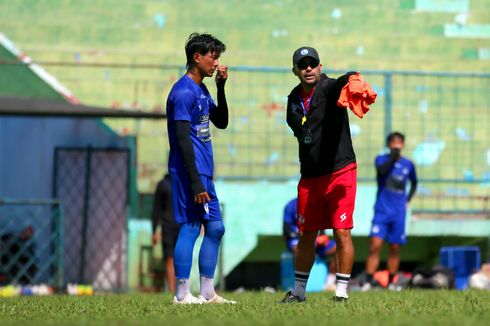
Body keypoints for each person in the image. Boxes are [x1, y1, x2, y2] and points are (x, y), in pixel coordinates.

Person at [282, 46, 373, 303]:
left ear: (320, 67)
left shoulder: (330, 87)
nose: (308, 68)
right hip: (311, 176)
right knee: (306, 234)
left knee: (341, 231)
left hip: (339, 170)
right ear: (295, 71)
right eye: (303, 65)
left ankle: (341, 293)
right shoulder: (292, 100)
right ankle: (298, 292)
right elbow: (301, 130)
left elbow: (341, 82)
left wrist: (352, 78)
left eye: (313, 64)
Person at [166, 32, 235, 304]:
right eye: (212, 57)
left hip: (205, 173)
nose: (216, 62)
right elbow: (182, 140)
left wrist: (221, 86)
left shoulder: (202, 89)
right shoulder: (183, 92)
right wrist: (195, 183)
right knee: (192, 226)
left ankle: (207, 292)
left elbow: (222, 121)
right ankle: (182, 294)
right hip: (189, 173)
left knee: (215, 228)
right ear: (197, 57)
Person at [363, 132, 417, 291]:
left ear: (403, 145)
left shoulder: (408, 164)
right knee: (375, 246)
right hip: (381, 211)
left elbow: (414, 182)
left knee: (394, 248)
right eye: (394, 142)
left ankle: (392, 282)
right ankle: (368, 280)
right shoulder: (381, 160)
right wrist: (393, 156)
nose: (397, 145)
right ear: (388, 145)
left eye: (399, 142)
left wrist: (408, 200)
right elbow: (382, 172)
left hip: (398, 213)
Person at [283, 198, 337, 289]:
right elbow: (286, 229)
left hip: (315, 240)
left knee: (338, 248)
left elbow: (321, 225)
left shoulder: (317, 203)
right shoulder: (291, 205)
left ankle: (329, 282)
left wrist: (323, 236)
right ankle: (299, 285)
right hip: (297, 239)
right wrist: (302, 236)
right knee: (299, 251)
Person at [151, 173, 181, 293]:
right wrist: (154, 231)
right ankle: (172, 290)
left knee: (181, 258)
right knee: (169, 258)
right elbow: (156, 209)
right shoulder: (163, 184)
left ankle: (181, 288)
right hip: (167, 226)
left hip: (182, 226)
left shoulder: (183, 182)